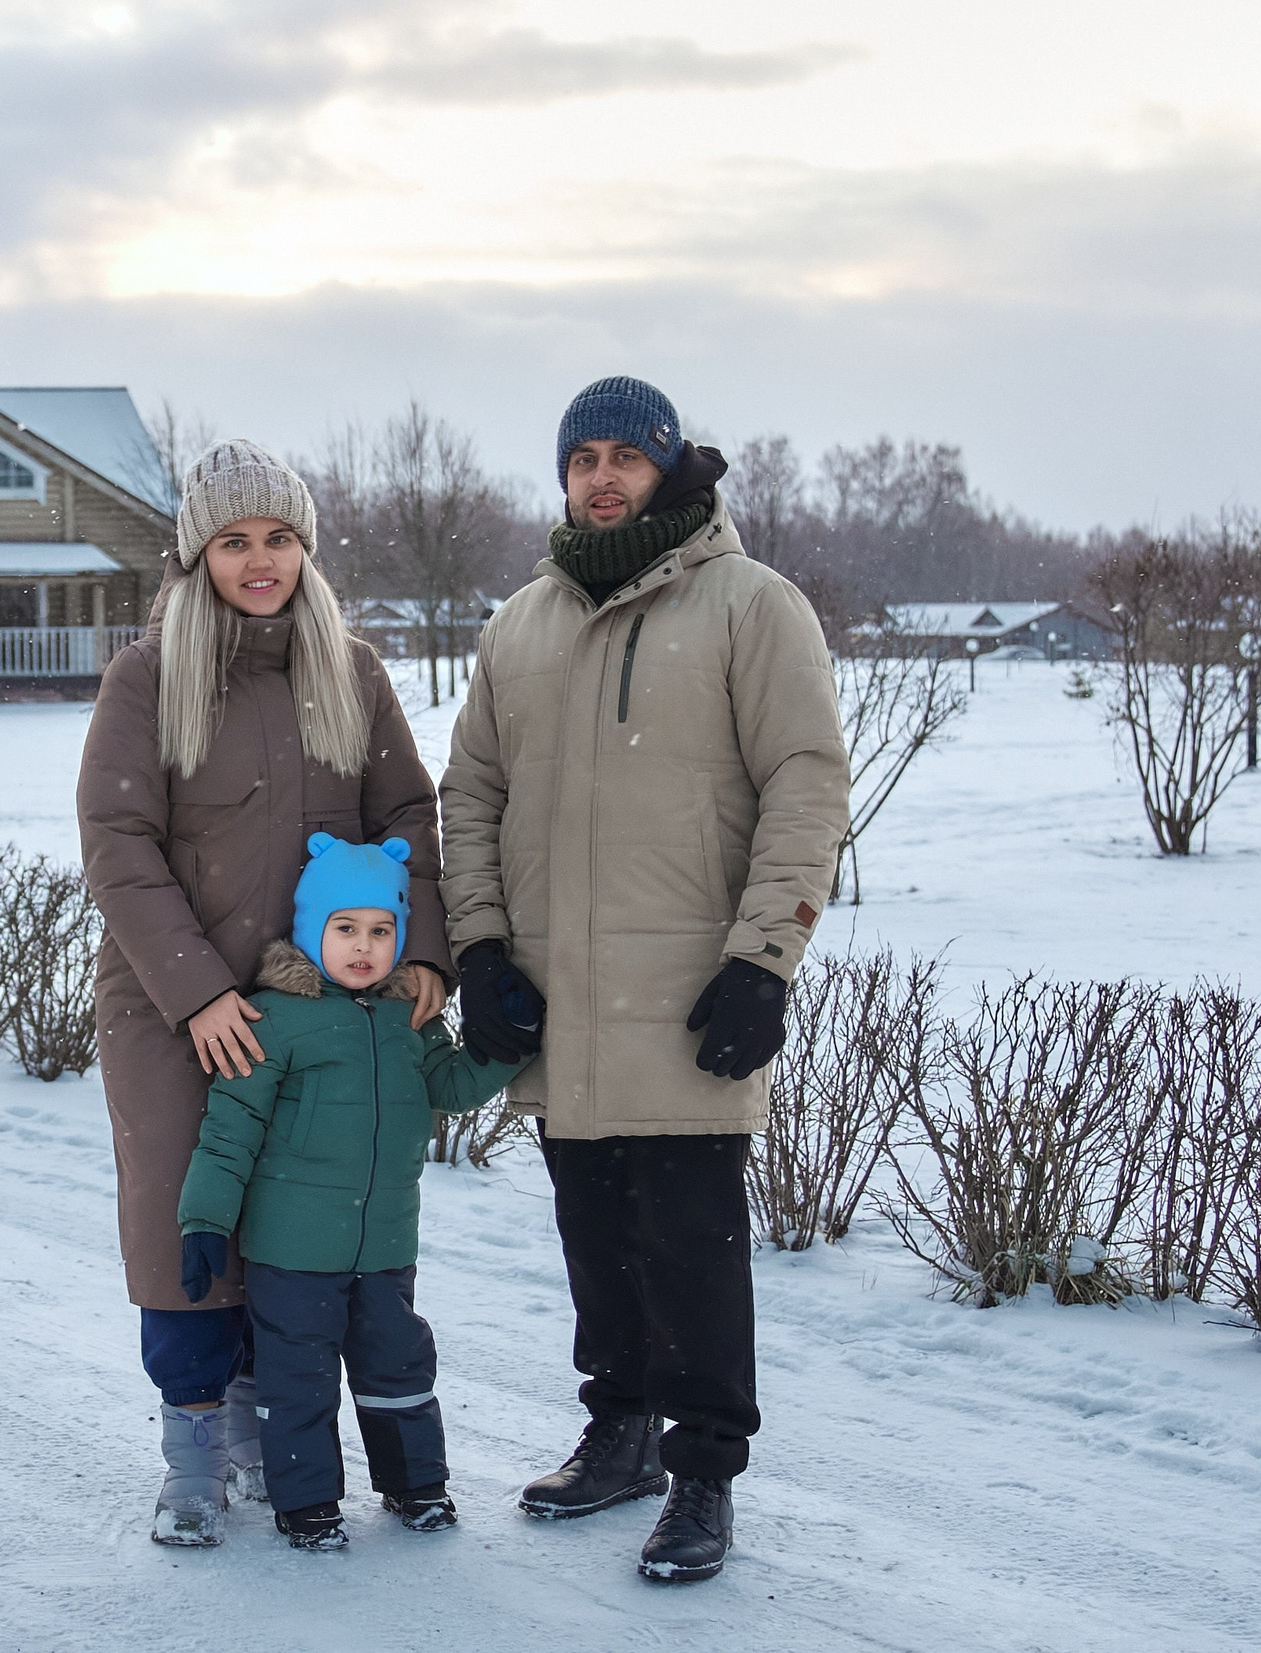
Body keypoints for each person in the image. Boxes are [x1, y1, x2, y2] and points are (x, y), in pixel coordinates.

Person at [439, 375, 847, 1583]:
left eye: (626, 454)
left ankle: (704, 1476)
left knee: (691, 1246)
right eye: (582, 459)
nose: (602, 476)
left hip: (686, 998)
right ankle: (617, 1435)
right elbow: (472, 796)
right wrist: (479, 946)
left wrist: (764, 961)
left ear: (672, 469)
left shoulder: (752, 607)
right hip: (560, 1003)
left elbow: (805, 785)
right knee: (593, 1234)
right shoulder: (519, 624)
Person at [77, 439, 454, 1548]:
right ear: (198, 555)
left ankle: (259, 1427)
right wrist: (196, 993)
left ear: (305, 549)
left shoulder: (353, 672)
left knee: (291, 1235)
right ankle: (191, 1451)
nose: (259, 561)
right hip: (173, 1007)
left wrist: (420, 952)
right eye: (234, 541)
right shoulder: (146, 677)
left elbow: (410, 823)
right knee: (184, 1231)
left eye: (278, 539)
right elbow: (118, 842)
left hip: (316, 1012)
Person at [175, 833, 518, 1550]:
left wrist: (507, 1043)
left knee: (400, 1367)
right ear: (311, 930)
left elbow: (450, 1086)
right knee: (297, 1381)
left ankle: (415, 1483)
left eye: (382, 930)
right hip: (292, 1253)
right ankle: (306, 1502)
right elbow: (228, 1130)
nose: (364, 946)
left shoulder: (407, 1019)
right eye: (345, 928)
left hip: (386, 1244)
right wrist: (204, 1220)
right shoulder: (274, 1018)